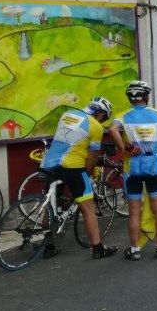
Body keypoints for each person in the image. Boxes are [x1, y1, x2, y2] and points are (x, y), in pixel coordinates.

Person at [109, 81, 157, 261]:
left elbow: (112, 129)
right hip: (155, 168)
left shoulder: (123, 116)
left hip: (132, 169)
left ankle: (135, 250)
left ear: (130, 98)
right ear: (147, 97)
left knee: (134, 210)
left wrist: (125, 147)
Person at [41, 97, 118, 259]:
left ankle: (48, 246)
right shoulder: (95, 126)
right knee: (88, 209)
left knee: (50, 205)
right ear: (100, 113)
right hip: (73, 168)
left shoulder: (67, 114)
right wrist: (87, 175)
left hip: (49, 165)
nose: (103, 121)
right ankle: (98, 248)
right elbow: (92, 157)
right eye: (104, 117)